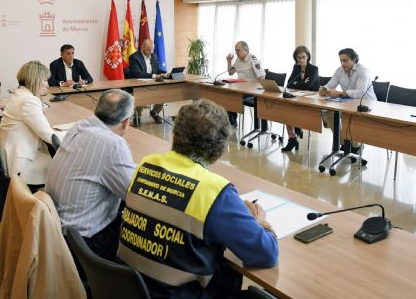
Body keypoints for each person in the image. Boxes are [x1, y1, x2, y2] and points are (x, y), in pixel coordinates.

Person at [118, 99, 278, 298]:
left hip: (133, 287)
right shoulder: (214, 191)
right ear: (219, 150)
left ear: (175, 135)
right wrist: (258, 221)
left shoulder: (146, 165)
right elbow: (266, 254)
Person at [46, 89, 135, 260]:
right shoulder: (113, 145)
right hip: (85, 243)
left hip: (58, 230)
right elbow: (132, 194)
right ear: (126, 122)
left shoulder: (78, 127)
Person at [0, 61, 56, 192]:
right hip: (21, 163)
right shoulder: (29, 100)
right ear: (35, 80)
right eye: (45, 80)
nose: (47, 84)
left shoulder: (19, 95)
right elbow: (48, 135)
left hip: (9, 154)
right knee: (63, 166)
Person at [319, 48, 375, 157]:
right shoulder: (339, 70)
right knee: (327, 114)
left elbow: (360, 92)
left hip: (365, 104)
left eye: (345, 60)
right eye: (341, 61)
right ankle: (345, 143)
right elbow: (331, 84)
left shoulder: (363, 71)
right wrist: (323, 89)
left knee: (349, 117)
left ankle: (355, 145)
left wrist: (339, 94)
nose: (342, 63)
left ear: (354, 60)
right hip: (348, 102)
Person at [281, 45, 319, 152]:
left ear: (308, 56)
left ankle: (298, 127)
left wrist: (298, 83)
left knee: (295, 110)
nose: (301, 60)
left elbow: (307, 86)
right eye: (299, 57)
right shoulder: (296, 68)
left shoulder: (314, 69)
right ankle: (292, 138)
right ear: (296, 58)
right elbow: (289, 84)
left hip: (311, 99)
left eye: (303, 57)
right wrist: (301, 82)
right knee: (286, 108)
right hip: (297, 96)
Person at [225, 40, 266, 127]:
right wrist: (229, 61)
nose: (236, 53)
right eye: (235, 51)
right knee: (225, 94)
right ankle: (231, 121)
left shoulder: (253, 60)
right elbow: (231, 72)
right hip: (239, 88)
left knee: (231, 96)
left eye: (238, 50)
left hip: (250, 91)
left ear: (245, 50)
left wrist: (249, 86)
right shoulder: (238, 60)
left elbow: (262, 77)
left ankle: (232, 122)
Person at [128, 38, 166, 124]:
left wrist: (165, 73)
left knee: (164, 94)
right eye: (149, 50)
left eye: (152, 50)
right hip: (138, 85)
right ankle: (138, 115)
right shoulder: (134, 57)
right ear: (143, 47)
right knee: (142, 95)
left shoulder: (153, 56)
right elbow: (137, 73)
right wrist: (154, 76)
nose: (150, 52)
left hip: (152, 84)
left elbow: (157, 70)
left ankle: (155, 112)